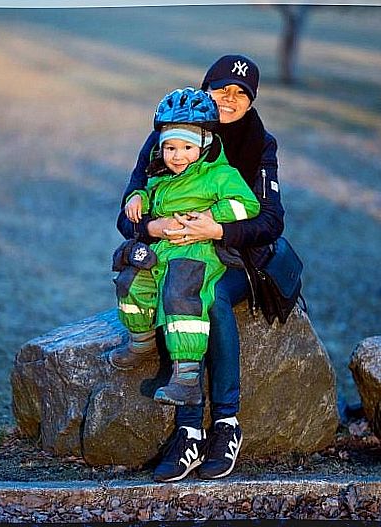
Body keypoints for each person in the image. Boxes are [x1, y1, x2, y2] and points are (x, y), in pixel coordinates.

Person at [115, 55, 285, 483]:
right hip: (175, 245)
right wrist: (154, 225)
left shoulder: (258, 143)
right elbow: (129, 212)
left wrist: (217, 228)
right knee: (171, 287)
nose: (230, 99)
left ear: (251, 101)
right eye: (222, 89)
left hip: (235, 254)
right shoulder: (171, 135)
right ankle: (189, 433)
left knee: (208, 299)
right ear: (206, 90)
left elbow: (270, 221)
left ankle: (226, 423)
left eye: (240, 94)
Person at [110, 87, 260, 408]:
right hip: (164, 248)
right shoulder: (162, 175)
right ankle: (142, 341)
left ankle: (187, 376)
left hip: (196, 250)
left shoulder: (220, 175)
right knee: (131, 281)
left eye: (186, 147)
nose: (177, 156)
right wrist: (139, 198)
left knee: (181, 295)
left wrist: (212, 216)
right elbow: (151, 193)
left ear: (205, 144)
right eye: (170, 147)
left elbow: (247, 204)